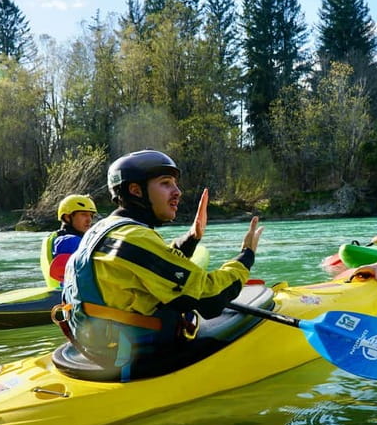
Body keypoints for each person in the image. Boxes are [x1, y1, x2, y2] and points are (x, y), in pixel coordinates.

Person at [59, 150, 264, 378]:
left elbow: (148, 264)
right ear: (136, 190)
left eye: (175, 184)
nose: (177, 192)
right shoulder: (134, 237)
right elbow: (210, 298)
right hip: (133, 356)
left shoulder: (103, 229)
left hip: (97, 346)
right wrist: (246, 257)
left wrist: (192, 237)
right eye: (166, 183)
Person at [40, 194, 97, 289]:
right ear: (67, 217)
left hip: (60, 291)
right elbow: (72, 279)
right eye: (84, 214)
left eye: (91, 215)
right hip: (70, 294)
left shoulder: (57, 237)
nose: (89, 220)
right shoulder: (69, 241)